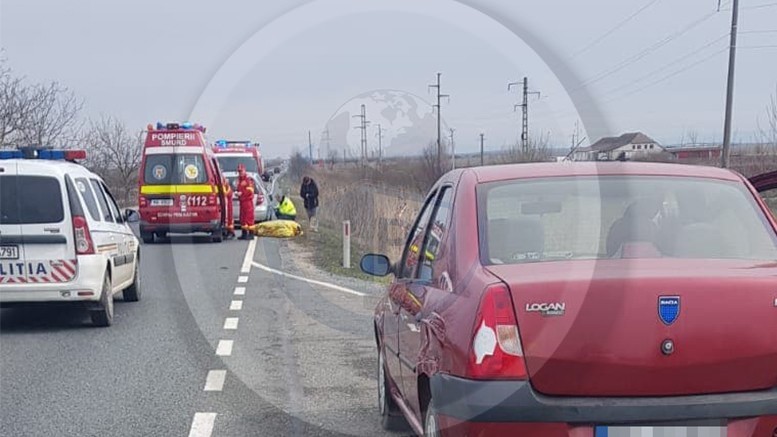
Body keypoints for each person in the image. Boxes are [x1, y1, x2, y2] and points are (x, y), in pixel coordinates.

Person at [236, 164, 256, 240]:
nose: (240, 173)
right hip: (242, 201)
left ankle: (251, 233)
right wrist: (238, 193)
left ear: (244, 170)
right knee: (242, 218)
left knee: (249, 218)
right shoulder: (239, 180)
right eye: (239, 171)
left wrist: (242, 193)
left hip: (247, 202)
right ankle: (244, 233)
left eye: (241, 171)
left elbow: (250, 190)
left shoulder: (248, 180)